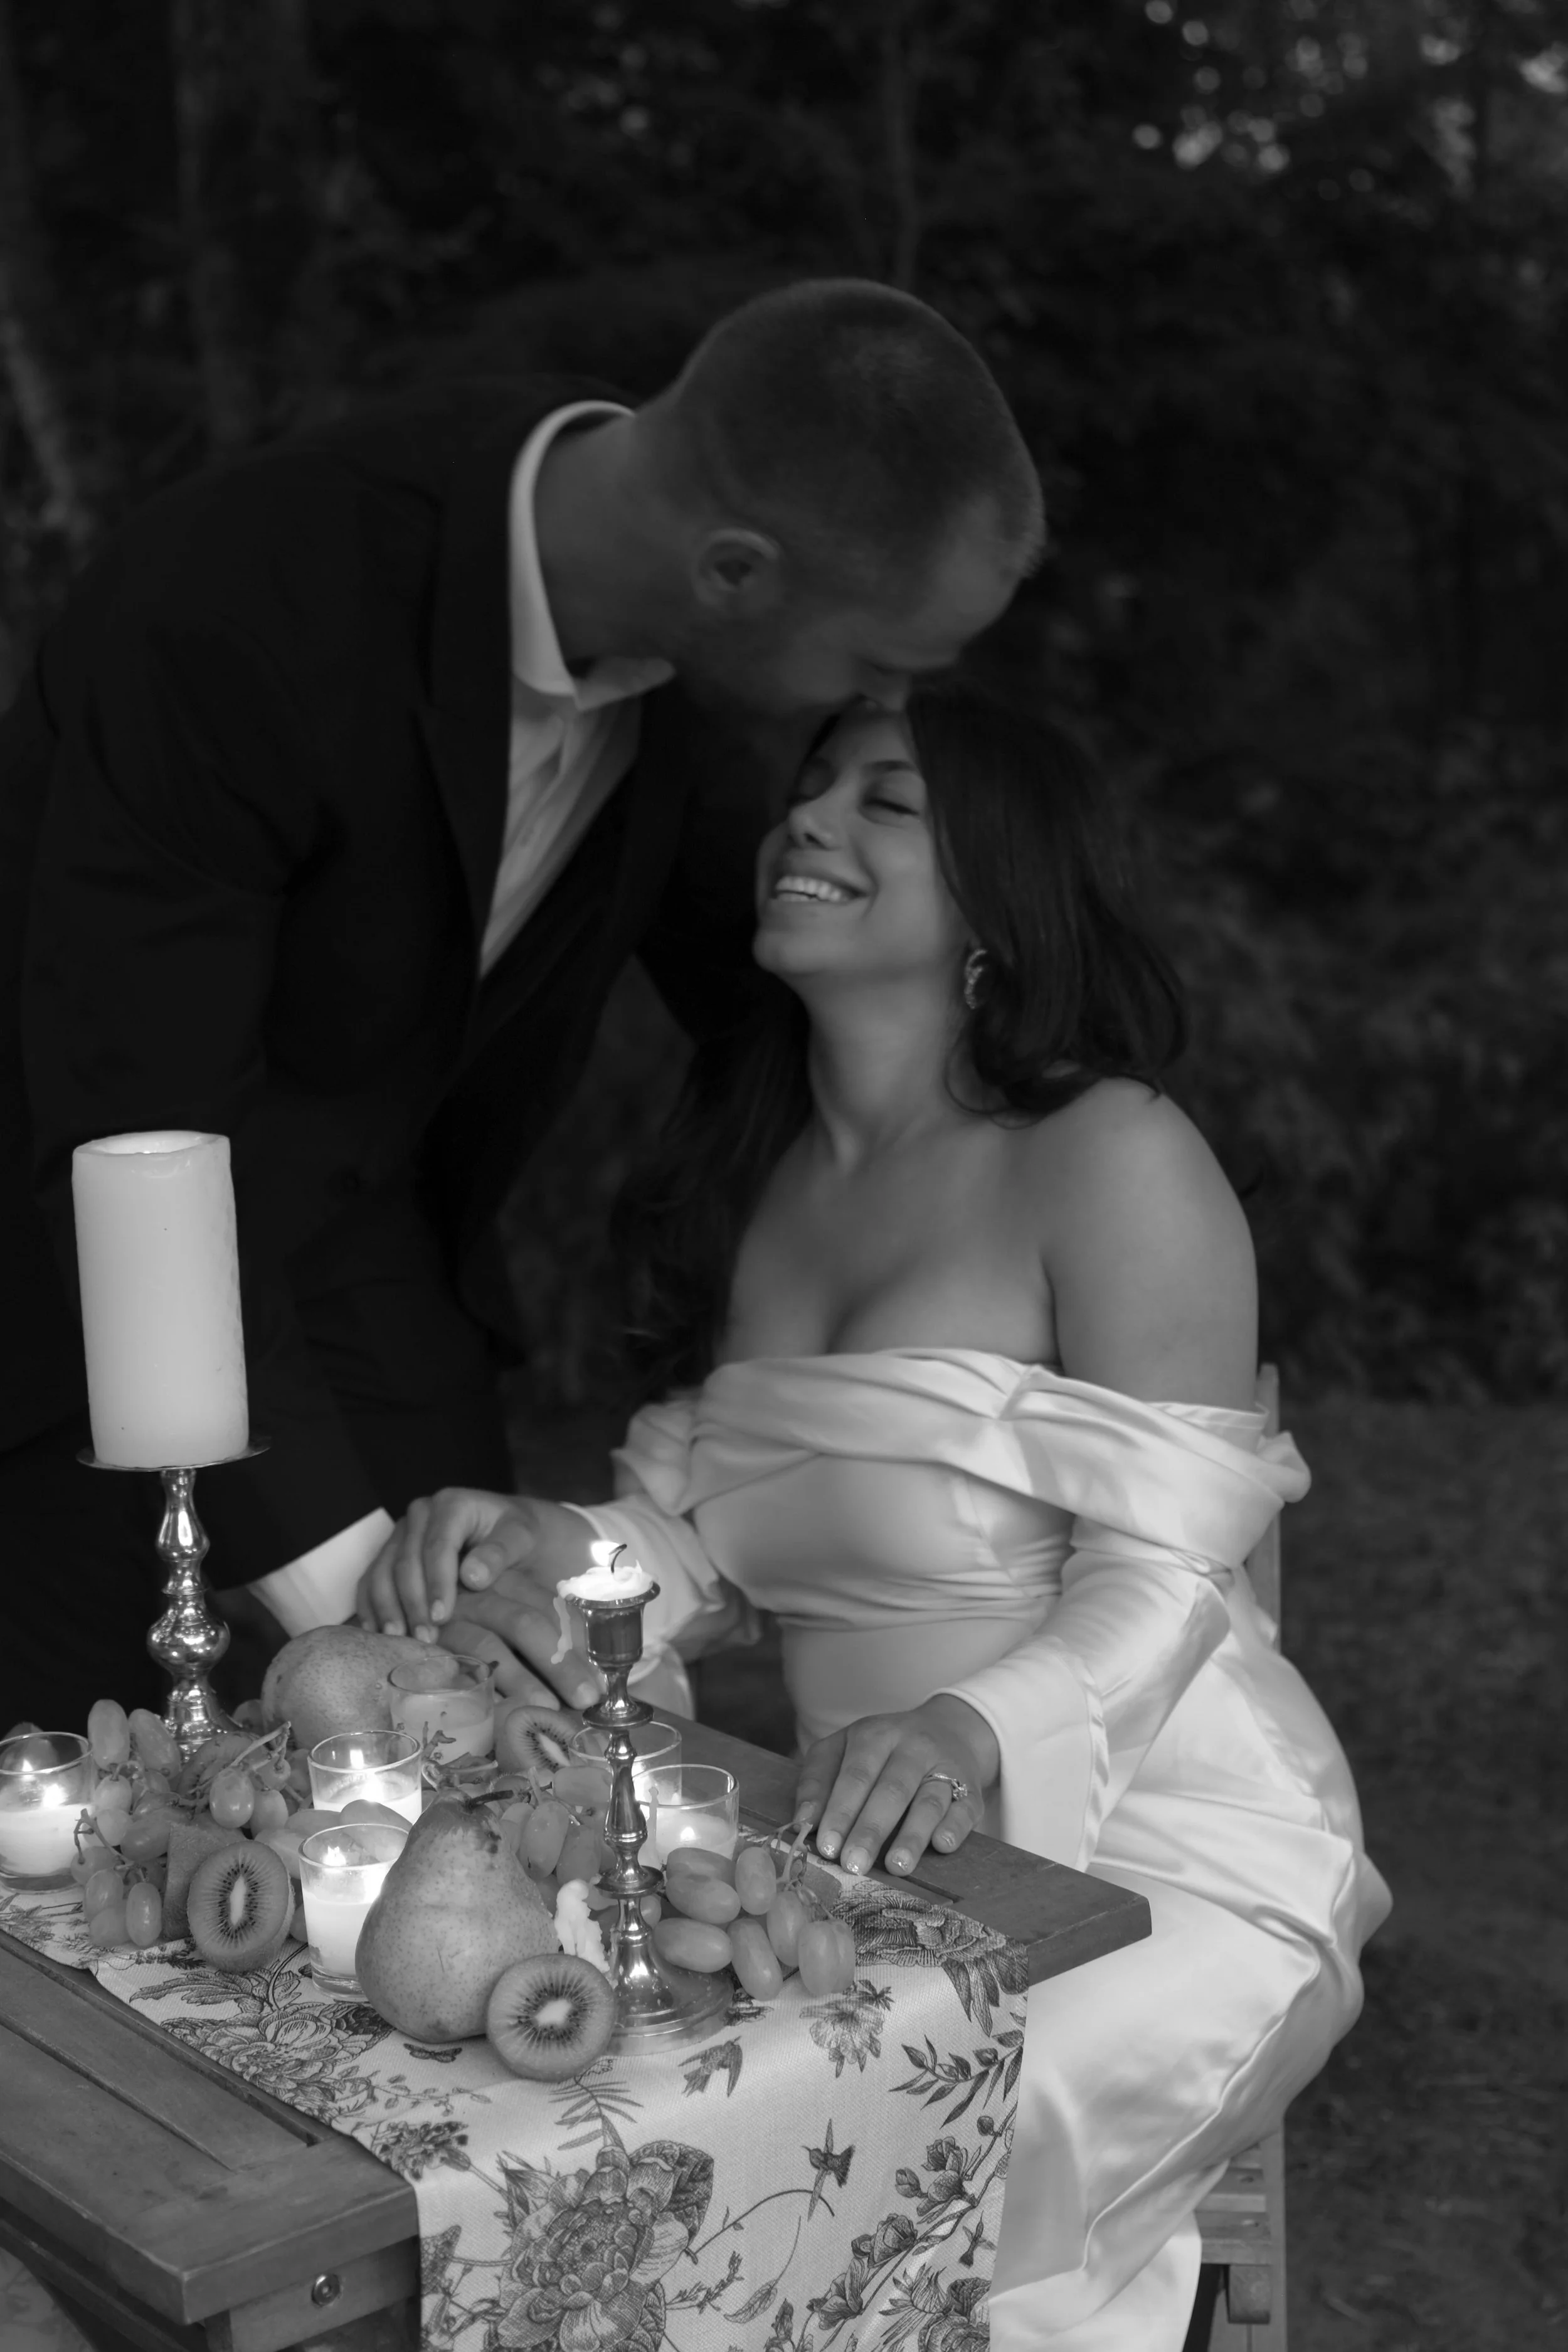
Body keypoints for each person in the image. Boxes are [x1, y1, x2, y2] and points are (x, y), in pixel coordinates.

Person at [359, 687, 1391, 2350]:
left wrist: (966, 1729)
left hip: (1167, 1847)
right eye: (810, 785)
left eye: (886, 801)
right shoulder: (762, 1181)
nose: (809, 818)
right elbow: (709, 1550)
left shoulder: (1108, 1151)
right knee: (614, 2139)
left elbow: (1173, 1568)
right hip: (865, 1871)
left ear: (998, 896)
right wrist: (553, 1541)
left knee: (834, 2176)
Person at [0, 278, 1044, 1733]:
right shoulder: (242, 604)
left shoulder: (665, 631)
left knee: (496, 1745)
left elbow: (778, 1002)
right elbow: (133, 1115)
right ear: (733, 573)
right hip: (67, 1260)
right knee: (96, 1805)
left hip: (371, 1262)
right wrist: (358, 1612)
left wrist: (1076, 1182)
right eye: (877, 664)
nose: (885, 704)